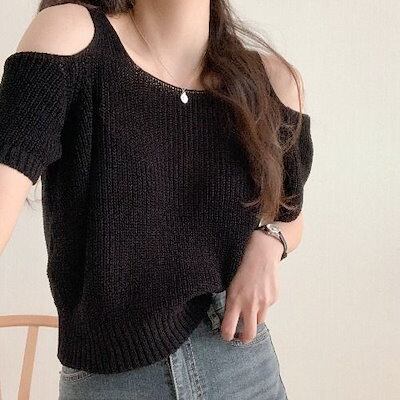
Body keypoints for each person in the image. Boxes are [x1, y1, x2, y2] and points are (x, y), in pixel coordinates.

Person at [0, 1, 313, 399]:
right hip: (113, 379)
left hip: (242, 367)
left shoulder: (273, 82)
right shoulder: (72, 36)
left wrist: (270, 242)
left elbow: (290, 215)